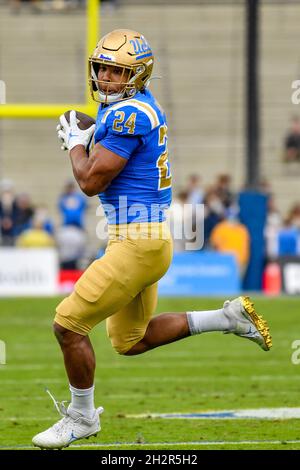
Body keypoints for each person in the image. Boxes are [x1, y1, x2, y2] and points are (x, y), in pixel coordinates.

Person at [32, 29, 272, 450]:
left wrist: (75, 144)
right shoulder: (137, 108)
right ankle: (227, 318)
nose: (106, 77)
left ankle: (81, 417)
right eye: (102, 67)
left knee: (68, 326)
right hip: (145, 240)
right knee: (129, 340)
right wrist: (88, 138)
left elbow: (89, 180)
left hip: (136, 242)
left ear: (138, 75)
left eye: (117, 70)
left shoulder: (128, 115)